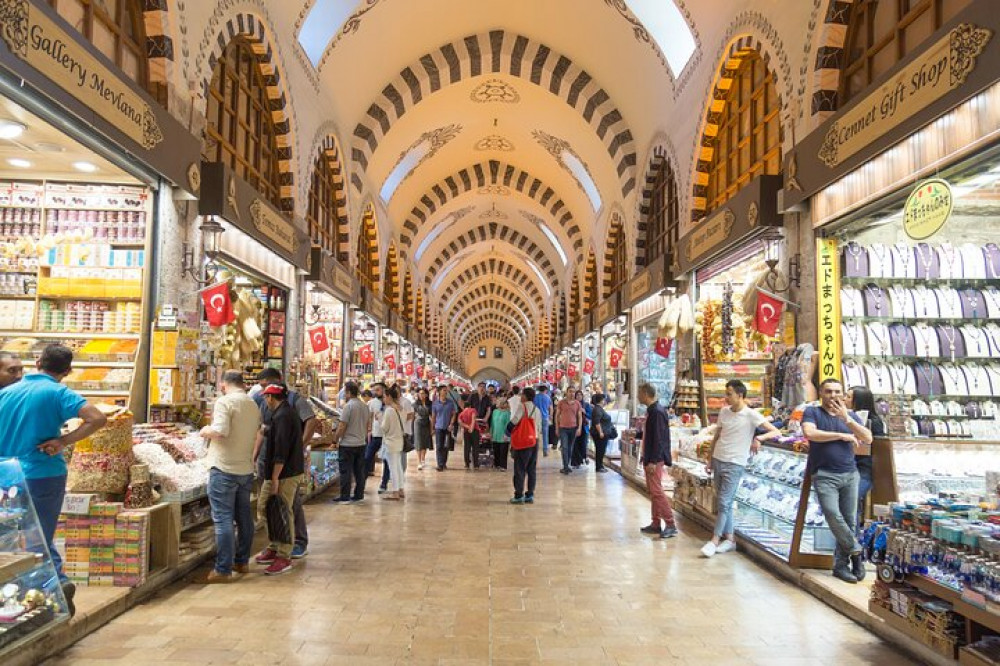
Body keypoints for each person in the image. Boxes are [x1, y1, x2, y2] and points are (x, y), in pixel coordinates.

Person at [0, 344, 108, 615]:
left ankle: (31, 593)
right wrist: (62, 441)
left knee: (12, 536)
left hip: (7, 474)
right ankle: (51, 589)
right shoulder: (59, 392)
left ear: (37, 362)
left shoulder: (6, 394)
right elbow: (97, 418)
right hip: (43, 474)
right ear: (68, 370)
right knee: (40, 536)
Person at [801, 378, 873, 584]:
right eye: (828, 391)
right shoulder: (812, 412)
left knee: (850, 520)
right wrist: (841, 435)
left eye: (837, 392)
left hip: (850, 474)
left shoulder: (849, 416)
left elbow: (868, 438)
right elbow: (810, 433)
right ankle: (856, 552)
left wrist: (848, 422)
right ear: (821, 393)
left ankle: (841, 565)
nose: (833, 395)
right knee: (832, 514)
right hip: (824, 474)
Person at [700, 380, 782, 558]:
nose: (726, 397)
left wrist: (759, 439)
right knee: (724, 502)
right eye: (726, 393)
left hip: (735, 462)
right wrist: (709, 459)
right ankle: (730, 539)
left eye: (729, 393)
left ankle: (715, 540)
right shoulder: (724, 412)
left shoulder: (751, 415)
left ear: (740, 395)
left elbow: (776, 432)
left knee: (723, 502)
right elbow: (717, 436)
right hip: (719, 459)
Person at [199, 370, 261, 582]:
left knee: (223, 519)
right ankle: (241, 561)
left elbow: (221, 430)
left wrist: (204, 430)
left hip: (224, 468)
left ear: (223, 384)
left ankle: (223, 569)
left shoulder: (225, 402)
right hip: (244, 469)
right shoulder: (253, 404)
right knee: (244, 518)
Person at [253, 368, 316, 559]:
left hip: (285, 467)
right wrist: (255, 455)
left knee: (288, 505)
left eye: (267, 386)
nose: (263, 391)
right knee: (269, 506)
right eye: (262, 386)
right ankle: (275, 543)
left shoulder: (293, 402)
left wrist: (299, 447)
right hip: (269, 462)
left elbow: (310, 422)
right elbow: (261, 429)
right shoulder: (262, 401)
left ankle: (296, 543)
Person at [255, 384, 304, 575]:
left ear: (270, 398)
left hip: (285, 473)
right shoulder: (280, 413)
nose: (265, 401)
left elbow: (281, 450)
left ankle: (284, 556)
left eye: (265, 397)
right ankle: (275, 545)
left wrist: (275, 477)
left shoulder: (284, 416)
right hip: (278, 472)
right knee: (265, 507)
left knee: (283, 511)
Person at [636, 383, 677, 539]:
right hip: (649, 457)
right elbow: (651, 435)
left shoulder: (657, 412)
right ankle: (655, 523)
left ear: (646, 394)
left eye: (640, 393)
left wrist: (653, 460)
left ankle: (671, 524)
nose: (638, 396)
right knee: (653, 492)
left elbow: (659, 439)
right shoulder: (652, 411)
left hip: (655, 459)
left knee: (657, 492)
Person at [847, 385, 886, 531]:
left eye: (848, 397)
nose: (844, 399)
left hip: (864, 469)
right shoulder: (845, 417)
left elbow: (878, 447)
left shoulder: (873, 422)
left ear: (859, 400)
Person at [331, 382, 370, 503]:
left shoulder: (348, 406)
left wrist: (335, 440)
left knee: (345, 471)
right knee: (359, 471)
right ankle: (359, 494)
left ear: (348, 392)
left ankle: (345, 496)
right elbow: (367, 424)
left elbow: (342, 426)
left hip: (347, 444)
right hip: (361, 443)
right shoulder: (365, 406)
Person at [509, 387, 542, 504]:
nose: (521, 397)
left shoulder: (522, 406)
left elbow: (515, 420)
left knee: (520, 468)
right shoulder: (537, 410)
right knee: (531, 469)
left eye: (522, 395)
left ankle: (518, 495)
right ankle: (530, 495)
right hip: (534, 440)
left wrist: (507, 431)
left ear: (525, 396)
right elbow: (539, 427)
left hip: (524, 442)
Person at [379, 384, 413, 493]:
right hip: (399, 441)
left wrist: (380, 419)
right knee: (398, 466)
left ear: (389, 397)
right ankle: (400, 489)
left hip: (391, 442)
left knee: (393, 467)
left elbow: (384, 428)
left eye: (384, 397)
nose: (383, 399)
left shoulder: (389, 411)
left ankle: (395, 492)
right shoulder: (401, 409)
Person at [555, 389, 583, 474]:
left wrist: (579, 428)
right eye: (570, 391)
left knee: (570, 448)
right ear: (566, 392)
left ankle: (567, 465)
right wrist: (557, 428)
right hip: (563, 428)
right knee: (564, 447)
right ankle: (565, 466)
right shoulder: (561, 403)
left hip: (573, 428)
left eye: (573, 392)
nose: (572, 393)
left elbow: (580, 417)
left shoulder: (577, 404)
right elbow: (557, 416)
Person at [432, 385, 458, 471]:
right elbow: (434, 416)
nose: (446, 392)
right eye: (444, 390)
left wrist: (451, 424)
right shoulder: (435, 403)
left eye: (446, 390)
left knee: (446, 446)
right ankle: (440, 464)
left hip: (448, 428)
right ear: (439, 392)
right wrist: (432, 427)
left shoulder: (450, 402)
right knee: (439, 446)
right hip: (438, 427)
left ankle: (444, 463)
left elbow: (454, 414)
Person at [365, 383, 386, 477]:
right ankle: (363, 476)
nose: (375, 392)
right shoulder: (372, 402)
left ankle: (385, 480)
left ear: (384, 390)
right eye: (374, 390)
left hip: (387, 435)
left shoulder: (390, 402)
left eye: (378, 390)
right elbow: (369, 417)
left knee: (387, 459)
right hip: (375, 434)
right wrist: (369, 430)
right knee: (367, 456)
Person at [413, 387, 433, 470]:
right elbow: (412, 415)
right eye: (420, 393)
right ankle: (419, 461)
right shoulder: (415, 404)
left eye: (423, 393)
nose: (421, 395)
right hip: (418, 424)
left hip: (427, 423)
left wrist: (432, 428)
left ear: (426, 395)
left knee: (425, 441)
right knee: (418, 442)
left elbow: (432, 416)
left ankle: (423, 458)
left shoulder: (430, 404)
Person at [490, 397, 511, 470]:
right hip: (495, 434)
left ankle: (503, 466)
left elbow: (508, 425)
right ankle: (496, 464)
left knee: (503, 451)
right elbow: (492, 423)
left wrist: (507, 435)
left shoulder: (507, 413)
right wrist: (491, 432)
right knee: (496, 451)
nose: (507, 404)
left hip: (504, 435)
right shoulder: (495, 411)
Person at [590, 394, 610, 473]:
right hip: (599, 434)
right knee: (600, 450)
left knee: (601, 450)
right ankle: (599, 466)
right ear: (601, 400)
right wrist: (600, 432)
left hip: (601, 432)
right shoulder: (597, 409)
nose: (605, 401)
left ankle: (600, 465)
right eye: (604, 400)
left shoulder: (599, 409)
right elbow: (597, 422)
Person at [459, 398, 481, 470]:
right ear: (470, 406)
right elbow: (473, 418)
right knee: (475, 448)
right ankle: (476, 465)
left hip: (466, 432)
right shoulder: (473, 410)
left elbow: (460, 422)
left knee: (467, 448)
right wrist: (471, 427)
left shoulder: (461, 414)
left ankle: (467, 464)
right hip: (475, 431)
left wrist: (467, 427)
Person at [572, 389, 591, 468]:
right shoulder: (572, 404)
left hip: (584, 427)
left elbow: (590, 416)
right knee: (575, 444)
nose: (579, 396)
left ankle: (583, 457)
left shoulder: (586, 405)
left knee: (583, 443)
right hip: (574, 426)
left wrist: (585, 412)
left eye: (580, 395)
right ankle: (576, 462)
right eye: (577, 395)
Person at [533, 385, 553, 457]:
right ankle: (545, 450)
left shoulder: (535, 397)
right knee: (545, 434)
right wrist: (550, 416)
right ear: (545, 390)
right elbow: (550, 408)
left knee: (536, 433)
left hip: (536, 417)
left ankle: (535, 448)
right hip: (545, 417)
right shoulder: (548, 398)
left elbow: (533, 407)